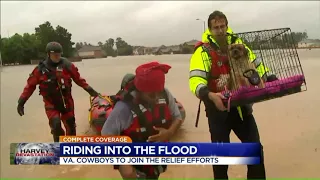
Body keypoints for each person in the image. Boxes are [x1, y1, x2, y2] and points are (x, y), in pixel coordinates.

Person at [189, 11, 271, 179]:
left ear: (227, 26)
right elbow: (195, 81)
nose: (220, 30)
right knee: (221, 157)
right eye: (215, 27)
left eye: (222, 26)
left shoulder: (240, 45)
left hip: (242, 107)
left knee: (255, 150)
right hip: (217, 109)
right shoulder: (202, 52)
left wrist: (269, 77)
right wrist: (209, 95)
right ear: (210, 30)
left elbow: (257, 66)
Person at [101, 61, 183, 179]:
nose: (156, 98)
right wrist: (122, 163)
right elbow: (105, 135)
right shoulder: (124, 108)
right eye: (151, 95)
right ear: (140, 91)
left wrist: (169, 132)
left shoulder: (165, 94)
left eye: (158, 93)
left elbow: (177, 117)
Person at [17, 41, 100, 142]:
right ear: (48, 54)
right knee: (56, 126)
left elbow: (79, 80)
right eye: (54, 55)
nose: (57, 57)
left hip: (67, 102)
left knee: (71, 127)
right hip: (51, 104)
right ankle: (57, 148)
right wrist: (21, 101)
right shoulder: (39, 70)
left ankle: (70, 150)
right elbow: (30, 86)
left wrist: (92, 92)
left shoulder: (67, 65)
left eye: (59, 54)